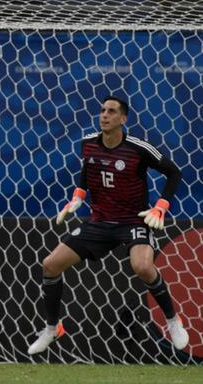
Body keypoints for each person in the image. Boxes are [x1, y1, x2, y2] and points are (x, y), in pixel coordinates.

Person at [27, 95, 189, 355]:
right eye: (102, 110)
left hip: (133, 220)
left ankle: (172, 320)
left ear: (123, 119)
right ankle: (51, 327)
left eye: (112, 111)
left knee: (143, 266)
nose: (104, 115)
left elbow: (174, 173)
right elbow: (87, 170)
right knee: (50, 264)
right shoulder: (89, 144)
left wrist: (161, 206)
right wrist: (78, 197)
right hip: (99, 222)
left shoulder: (138, 148)